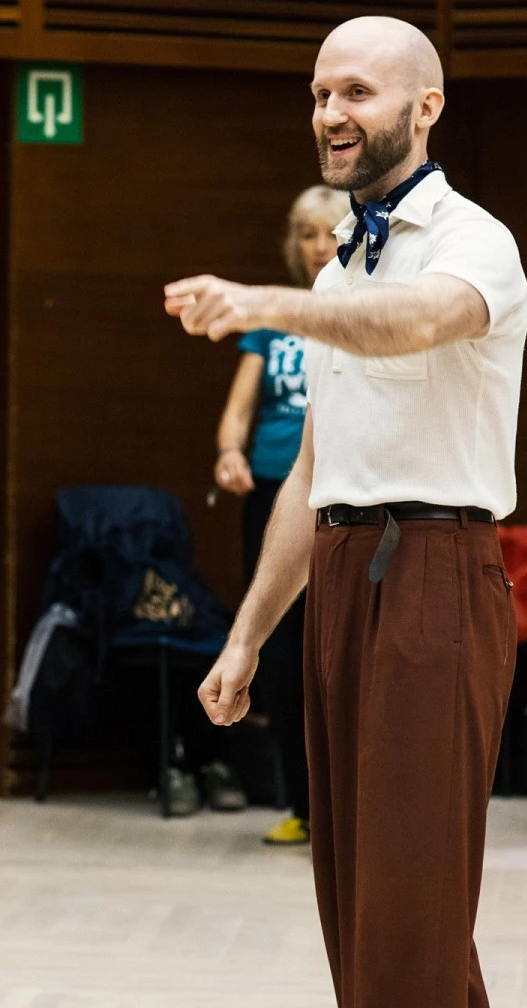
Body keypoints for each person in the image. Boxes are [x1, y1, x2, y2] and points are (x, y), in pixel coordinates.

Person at [164, 16, 527, 1008]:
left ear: (426, 106)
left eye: (358, 92)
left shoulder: (473, 241)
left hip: (437, 575)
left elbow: (413, 325)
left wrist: (263, 303)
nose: (332, 113)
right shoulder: (338, 272)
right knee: (365, 900)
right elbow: (313, 473)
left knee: (409, 900)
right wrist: (246, 640)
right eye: (322, 93)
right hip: (340, 575)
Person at [213, 184, 348, 845]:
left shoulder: (358, 309)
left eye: (329, 232)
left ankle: (350, 809)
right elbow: (238, 409)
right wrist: (230, 452)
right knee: (284, 653)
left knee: (341, 649)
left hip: (344, 497)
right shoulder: (274, 319)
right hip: (275, 496)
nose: (319, 246)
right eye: (307, 235)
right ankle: (302, 804)